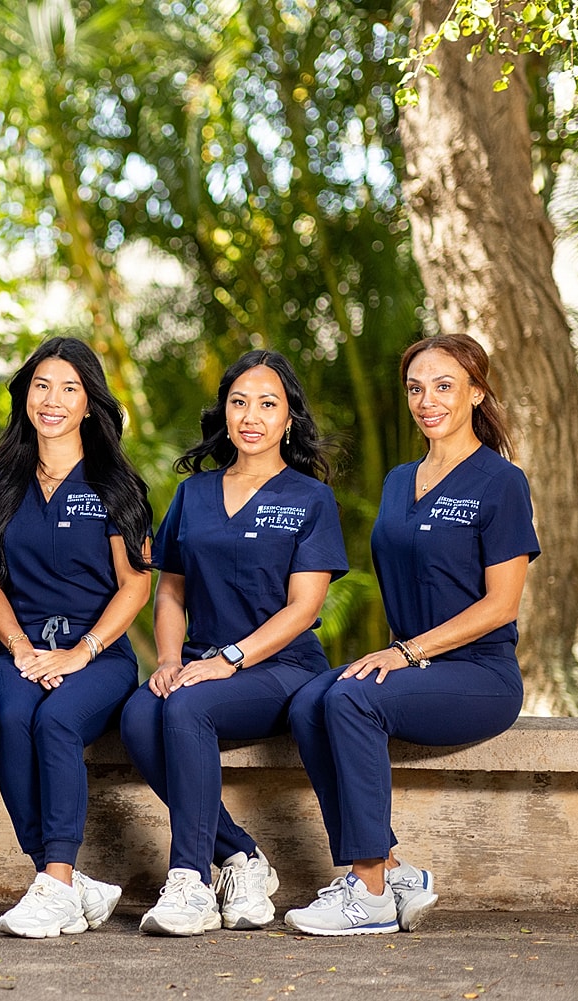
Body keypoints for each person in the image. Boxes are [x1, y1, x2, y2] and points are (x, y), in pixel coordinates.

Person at [284, 333, 537, 936]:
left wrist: (406, 652)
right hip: (412, 666)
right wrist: (404, 656)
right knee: (308, 703)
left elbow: (501, 605)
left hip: (479, 673)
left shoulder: (501, 482)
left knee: (350, 697)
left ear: (476, 393)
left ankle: (368, 889)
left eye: (445, 386)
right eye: (416, 388)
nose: (428, 400)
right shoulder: (401, 480)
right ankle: (393, 868)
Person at [120, 350, 347, 937]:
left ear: (289, 417)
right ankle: (242, 857)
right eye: (239, 402)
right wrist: (170, 660)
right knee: (142, 714)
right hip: (201, 661)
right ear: (224, 412)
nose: (251, 416)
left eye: (268, 404)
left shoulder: (310, 498)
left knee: (188, 705)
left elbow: (305, 609)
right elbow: (169, 589)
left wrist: (230, 659)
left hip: (283, 667)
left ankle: (189, 882)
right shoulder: (194, 495)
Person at [0, 337, 154, 938]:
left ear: (89, 403)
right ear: (25, 396)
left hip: (97, 652)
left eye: (69, 389)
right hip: (21, 648)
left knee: (55, 722)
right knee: (8, 715)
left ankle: (55, 879)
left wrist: (81, 653)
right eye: (42, 386)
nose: (53, 400)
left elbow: (136, 586)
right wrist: (23, 649)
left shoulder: (114, 482)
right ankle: (63, 883)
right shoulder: (1, 477)